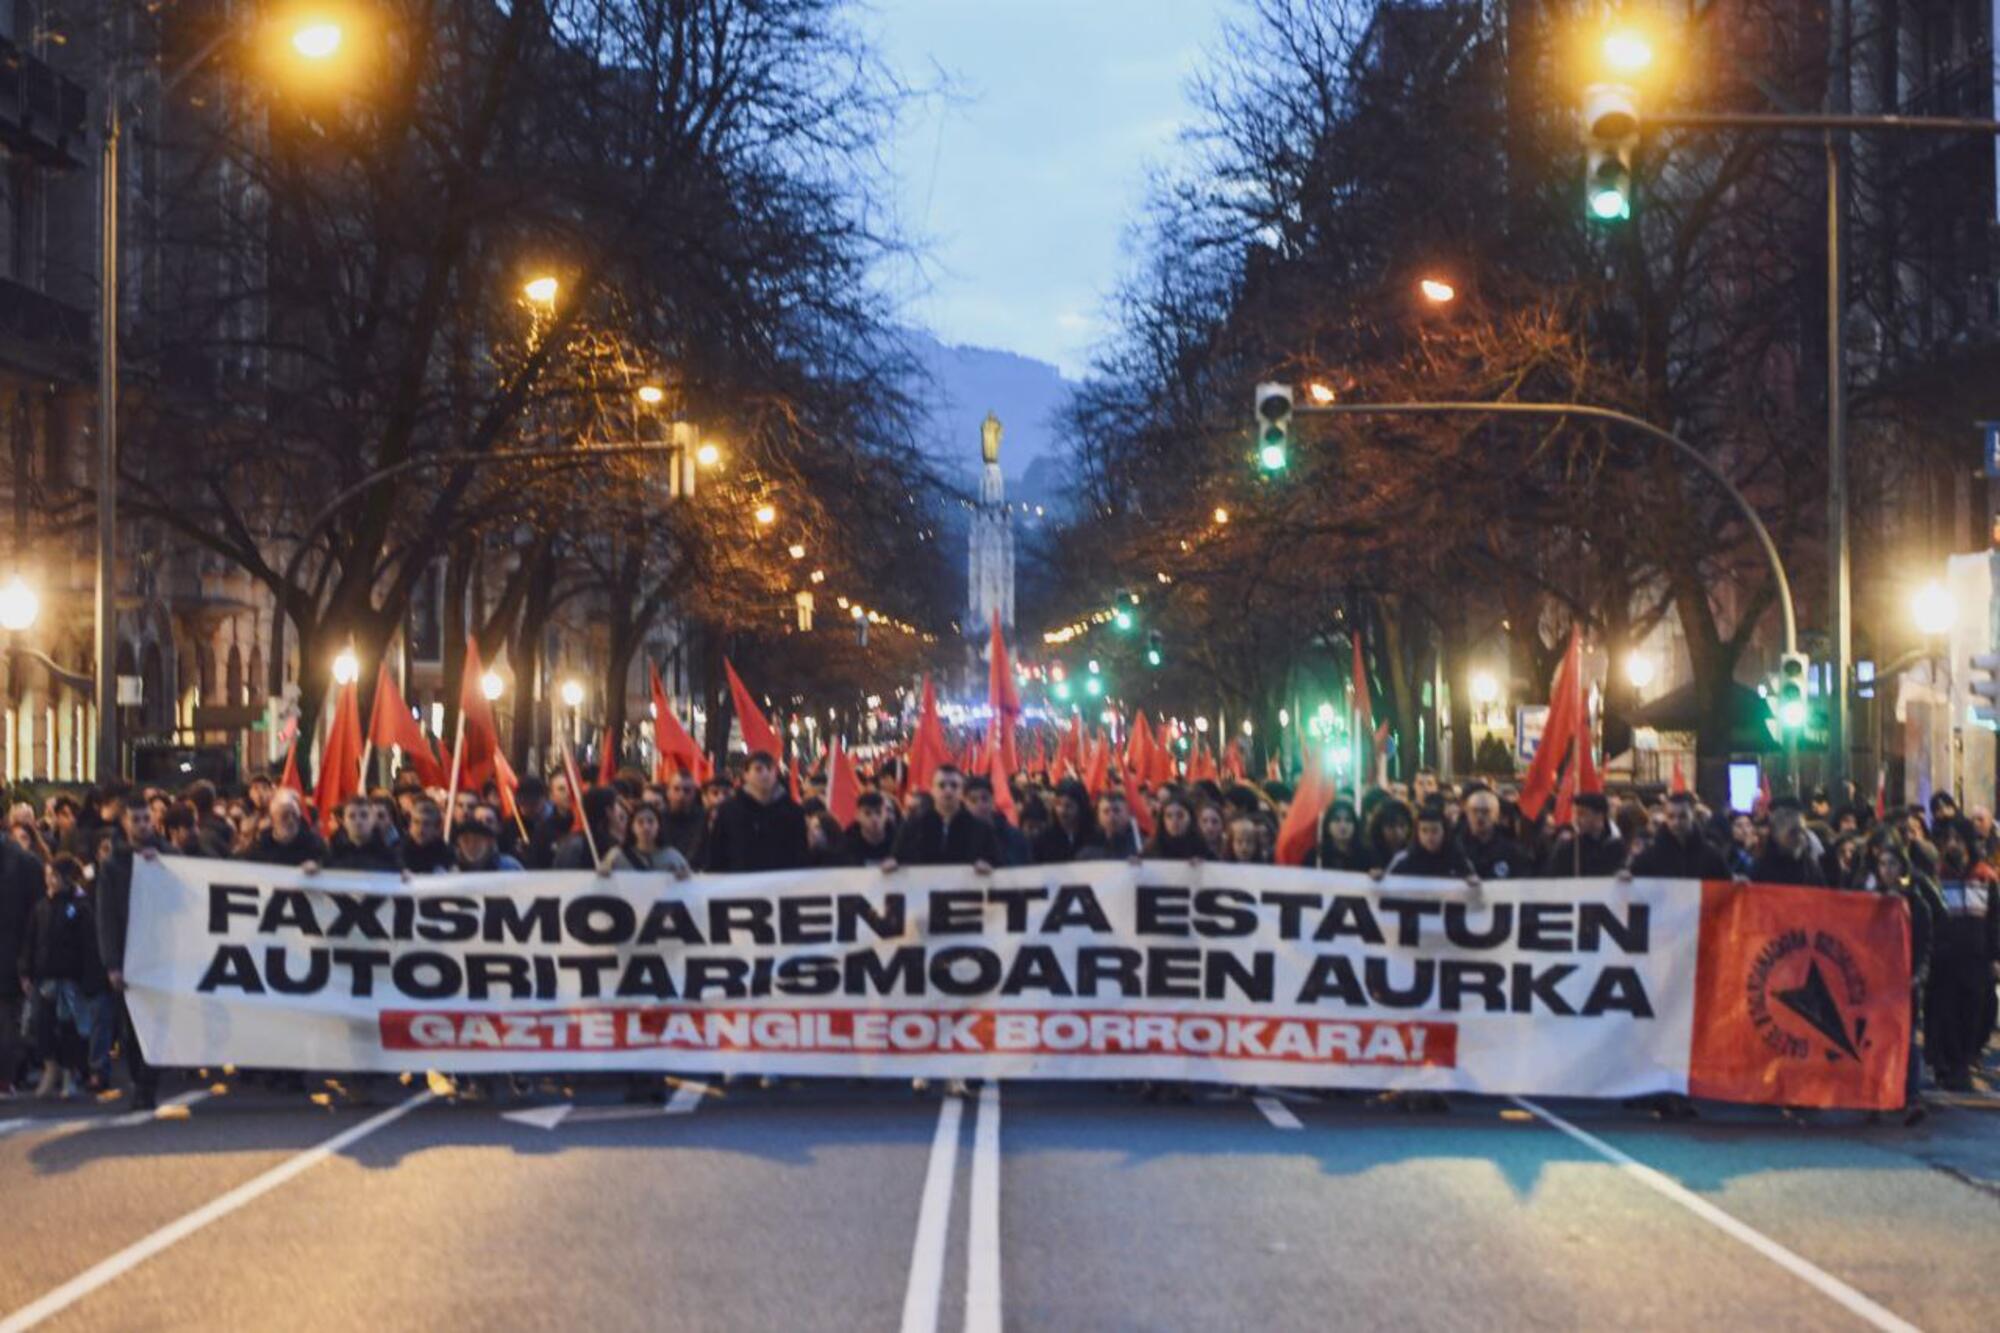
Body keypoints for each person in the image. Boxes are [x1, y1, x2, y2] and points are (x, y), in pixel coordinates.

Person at [92, 800, 163, 1110]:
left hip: (162, 955)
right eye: (137, 819)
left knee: (158, 1025)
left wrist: (161, 862)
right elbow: (105, 916)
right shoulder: (112, 866)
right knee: (131, 1029)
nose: (143, 825)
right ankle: (139, 1080)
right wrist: (112, 964)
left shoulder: (166, 855)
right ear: (125, 823)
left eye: (147, 818)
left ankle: (148, 1085)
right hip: (129, 957)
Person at [19, 855, 103, 1099]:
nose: (49, 881)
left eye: (53, 876)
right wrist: (25, 971)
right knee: (42, 1027)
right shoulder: (41, 907)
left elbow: (89, 947)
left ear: (66, 879)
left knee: (70, 1030)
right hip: (44, 979)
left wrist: (90, 980)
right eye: (48, 876)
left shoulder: (80, 908)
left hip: (71, 980)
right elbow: (30, 941)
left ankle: (69, 1073)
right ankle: (50, 1069)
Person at [1925, 820, 1998, 1091]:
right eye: (1948, 839)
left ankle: (1967, 1058)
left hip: (1977, 958)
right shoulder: (1937, 875)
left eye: (1958, 838)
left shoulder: (1986, 876)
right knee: (1948, 1014)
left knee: (1977, 1013)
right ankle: (1953, 1067)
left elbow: (1995, 920)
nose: (1953, 844)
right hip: (1946, 959)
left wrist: (1996, 956)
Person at [702, 752, 810, 872]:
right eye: (758, 769)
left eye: (770, 769)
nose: (765, 774)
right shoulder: (728, 811)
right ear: (746, 774)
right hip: (739, 886)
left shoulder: (793, 811)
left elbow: (801, 855)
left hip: (782, 885)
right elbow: (717, 854)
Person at [0, 825, 46, 1095]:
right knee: (9, 1019)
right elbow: (38, 913)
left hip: (14, 953)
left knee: (8, 1019)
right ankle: (6, 1078)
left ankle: (6, 1076)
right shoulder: (27, 861)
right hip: (15, 955)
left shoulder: (24, 862)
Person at [886, 766, 998, 870]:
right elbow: (896, 857)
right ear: (932, 790)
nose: (948, 790)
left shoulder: (981, 829)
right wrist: (893, 863)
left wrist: (987, 865)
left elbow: (998, 865)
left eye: (954, 785)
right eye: (942, 785)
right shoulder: (912, 826)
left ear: (962, 792)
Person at [1630, 791, 1730, 879]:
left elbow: (1727, 888)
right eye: (1671, 816)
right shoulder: (1649, 856)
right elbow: (1634, 881)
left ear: (1693, 816)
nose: (1676, 822)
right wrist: (1624, 876)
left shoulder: (1712, 856)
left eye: (1683, 816)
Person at [1383, 802, 1475, 879]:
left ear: (1444, 832)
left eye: (1435, 830)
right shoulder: (1403, 860)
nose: (1429, 836)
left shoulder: (1459, 861)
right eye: (1424, 831)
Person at [1541, 794, 1627, 877]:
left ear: (1599, 816)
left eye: (1582, 814)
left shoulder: (1616, 847)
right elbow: (1551, 876)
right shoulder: (1570, 847)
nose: (1577, 819)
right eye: (1576, 814)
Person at [1748, 797, 1826, 886]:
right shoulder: (1761, 867)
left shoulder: (1810, 868)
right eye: (1793, 833)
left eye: (1801, 832)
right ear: (1776, 833)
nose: (1799, 837)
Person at [241, 791, 327, 867]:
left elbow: (331, 868)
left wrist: (318, 868)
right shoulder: (260, 845)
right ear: (272, 819)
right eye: (284, 815)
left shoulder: (314, 845)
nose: (290, 820)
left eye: (294, 815)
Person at [556, 786, 632, 870]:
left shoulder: (620, 844)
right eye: (617, 804)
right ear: (608, 811)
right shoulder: (577, 845)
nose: (621, 809)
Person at [1457, 788, 1526, 880]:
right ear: (1467, 813)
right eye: (1474, 811)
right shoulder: (1456, 847)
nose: (1479, 816)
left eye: (1486, 811)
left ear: (1496, 815)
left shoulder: (1511, 850)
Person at [964, 776, 1032, 867]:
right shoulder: (959, 837)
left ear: (992, 800)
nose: (980, 805)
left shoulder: (1014, 836)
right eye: (973, 800)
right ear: (965, 804)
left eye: (984, 799)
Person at [325, 797, 400, 871]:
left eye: (364, 815)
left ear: (373, 820)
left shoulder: (388, 857)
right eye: (352, 816)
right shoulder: (332, 854)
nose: (358, 821)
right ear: (344, 822)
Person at [1032, 778, 1097, 863]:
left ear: (1081, 807)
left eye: (1068, 806)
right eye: (1058, 804)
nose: (1062, 811)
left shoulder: (1094, 836)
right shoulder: (1043, 839)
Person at [623, 803, 693, 876]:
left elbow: (690, 879)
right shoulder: (618, 858)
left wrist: (686, 875)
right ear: (632, 827)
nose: (646, 827)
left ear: (659, 826)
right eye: (640, 822)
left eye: (651, 821)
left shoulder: (673, 857)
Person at [454, 807, 526, 873]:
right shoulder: (451, 872)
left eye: (477, 841)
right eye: (466, 840)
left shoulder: (509, 867)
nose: (471, 845)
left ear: (489, 843)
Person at [1075, 790, 1142, 860]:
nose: (1111, 816)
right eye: (1106, 811)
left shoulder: (1141, 847)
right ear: (1098, 816)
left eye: (1116, 810)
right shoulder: (1087, 854)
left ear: (1128, 814)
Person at [1145, 792, 1210, 859]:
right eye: (1169, 816)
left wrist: (1203, 864)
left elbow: (1216, 865)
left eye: (1180, 816)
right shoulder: (1152, 848)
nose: (1174, 821)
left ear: (1191, 818)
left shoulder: (1201, 847)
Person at [659, 773, 708, 863]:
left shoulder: (705, 819)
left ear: (694, 793)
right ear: (668, 792)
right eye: (676, 789)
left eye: (687, 790)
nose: (681, 795)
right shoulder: (658, 818)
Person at [401, 799, 456, 874]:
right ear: (410, 825)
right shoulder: (398, 850)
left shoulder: (446, 853)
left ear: (437, 828)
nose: (420, 829)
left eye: (426, 824)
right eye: (416, 822)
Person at [843, 793, 897, 866]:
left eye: (878, 812)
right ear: (857, 816)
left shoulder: (899, 839)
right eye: (867, 813)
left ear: (886, 814)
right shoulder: (845, 842)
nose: (874, 819)